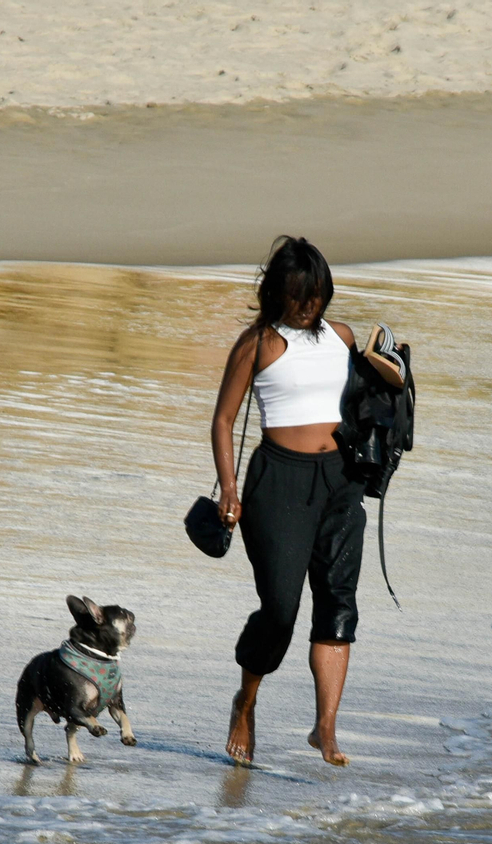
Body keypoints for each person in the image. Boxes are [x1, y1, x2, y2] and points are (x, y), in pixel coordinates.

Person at [211, 235, 365, 768]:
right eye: (301, 295)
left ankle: (325, 728)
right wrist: (230, 488)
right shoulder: (258, 343)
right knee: (280, 610)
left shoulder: (343, 338)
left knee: (338, 603)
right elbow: (224, 420)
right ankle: (246, 701)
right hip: (277, 482)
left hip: (339, 482)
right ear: (279, 291)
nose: (311, 306)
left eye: (318, 294)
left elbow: (375, 403)